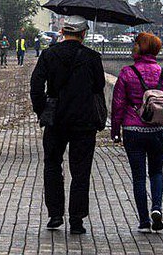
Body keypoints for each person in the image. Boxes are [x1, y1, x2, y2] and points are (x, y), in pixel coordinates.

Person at [30, 20, 106, 236]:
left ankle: (55, 215)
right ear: (83, 34)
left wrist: (42, 109)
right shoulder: (92, 57)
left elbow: (36, 85)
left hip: (56, 119)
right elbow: (99, 86)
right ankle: (76, 219)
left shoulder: (49, 54)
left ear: (62, 32)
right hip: (84, 121)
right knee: (81, 170)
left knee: (52, 164)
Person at [111, 31, 163, 234]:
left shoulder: (127, 72)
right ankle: (156, 208)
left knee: (139, 177)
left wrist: (116, 130)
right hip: (159, 129)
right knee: (157, 172)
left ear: (140, 47)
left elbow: (118, 105)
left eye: (136, 44)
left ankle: (143, 221)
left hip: (133, 130)